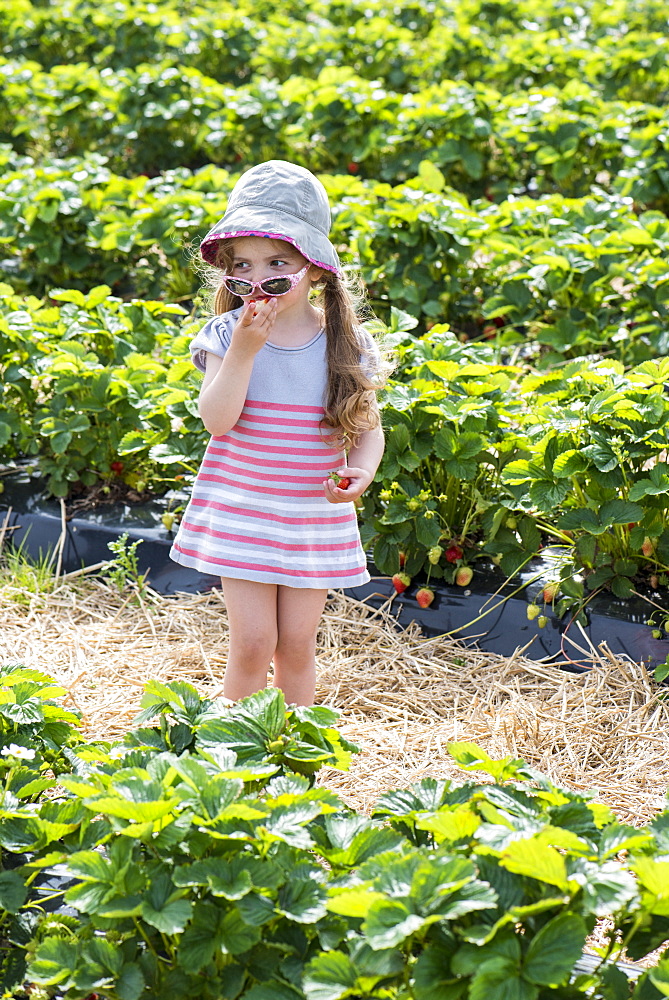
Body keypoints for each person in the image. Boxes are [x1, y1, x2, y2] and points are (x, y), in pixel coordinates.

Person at [170, 160, 388, 706]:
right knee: (252, 643)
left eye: (276, 264)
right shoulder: (225, 334)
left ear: (314, 269)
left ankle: (292, 748)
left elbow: (368, 430)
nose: (255, 280)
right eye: (240, 266)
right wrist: (243, 352)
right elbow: (217, 421)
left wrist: (360, 472)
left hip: (311, 514)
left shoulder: (344, 343)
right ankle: (233, 747)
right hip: (243, 506)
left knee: (295, 645)